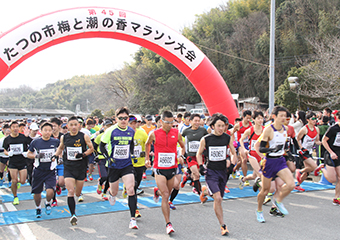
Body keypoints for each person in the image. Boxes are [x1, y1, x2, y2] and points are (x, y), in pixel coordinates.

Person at [145, 111, 185, 235]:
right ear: (161, 122)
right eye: (167, 122)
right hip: (159, 168)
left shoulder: (176, 133)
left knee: (168, 191)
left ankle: (157, 191)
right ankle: (168, 223)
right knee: (166, 195)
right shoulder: (154, 134)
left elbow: (183, 146)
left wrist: (181, 155)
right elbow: (147, 144)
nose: (169, 125)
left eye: (172, 122)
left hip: (172, 168)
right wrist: (147, 158)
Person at [196, 113, 237, 236]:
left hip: (223, 172)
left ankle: (205, 191)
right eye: (218, 126)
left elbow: (234, 153)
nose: (221, 129)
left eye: (223, 126)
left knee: (219, 197)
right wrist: (200, 166)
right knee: (218, 198)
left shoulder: (227, 138)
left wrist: (232, 165)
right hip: (211, 171)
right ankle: (223, 225)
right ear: (213, 126)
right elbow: (199, 154)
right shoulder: (206, 139)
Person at [100, 107, 138, 230]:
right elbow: (102, 146)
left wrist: (132, 154)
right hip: (113, 166)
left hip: (126, 164)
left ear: (128, 119)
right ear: (116, 119)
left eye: (125, 118)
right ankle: (111, 194)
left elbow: (131, 143)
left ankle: (133, 219)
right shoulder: (111, 131)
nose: (123, 120)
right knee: (115, 191)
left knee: (131, 189)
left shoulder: (131, 131)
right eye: (120, 118)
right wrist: (107, 157)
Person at [255, 106, 295, 223]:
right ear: (274, 117)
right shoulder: (268, 129)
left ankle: (278, 200)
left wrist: (288, 154)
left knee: (291, 184)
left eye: (285, 116)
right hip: (269, 162)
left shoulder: (286, 129)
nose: (284, 118)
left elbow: (284, 146)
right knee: (265, 190)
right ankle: (259, 210)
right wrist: (272, 149)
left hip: (280, 161)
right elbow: (261, 147)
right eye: (281, 116)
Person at [52, 116, 94, 225]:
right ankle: (73, 215)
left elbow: (91, 148)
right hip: (69, 167)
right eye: (71, 125)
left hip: (80, 168)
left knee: (77, 193)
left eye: (76, 124)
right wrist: (55, 155)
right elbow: (61, 148)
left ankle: (77, 195)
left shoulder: (84, 136)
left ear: (79, 126)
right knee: (70, 191)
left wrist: (83, 154)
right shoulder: (64, 137)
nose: (74, 127)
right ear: (68, 126)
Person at [27, 122, 60, 218]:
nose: (47, 132)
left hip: (50, 170)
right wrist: (36, 156)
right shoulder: (36, 142)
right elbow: (28, 154)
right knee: (37, 193)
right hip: (38, 170)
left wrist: (58, 157)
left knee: (50, 191)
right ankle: (38, 207)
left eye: (49, 130)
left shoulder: (55, 142)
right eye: (45, 130)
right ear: (41, 131)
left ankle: (48, 202)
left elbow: (60, 151)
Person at [3, 121, 32, 205]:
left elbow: (31, 143)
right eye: (13, 127)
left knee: (23, 181)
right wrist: (8, 153)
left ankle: (18, 183)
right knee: (14, 181)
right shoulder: (7, 139)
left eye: (17, 127)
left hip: (22, 161)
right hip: (13, 162)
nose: (15, 129)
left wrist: (28, 136)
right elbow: (5, 150)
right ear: (10, 128)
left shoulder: (23, 137)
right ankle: (15, 196)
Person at [181, 113, 208, 200]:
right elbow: (180, 141)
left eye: (198, 121)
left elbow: (208, 140)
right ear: (190, 121)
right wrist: (182, 154)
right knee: (196, 174)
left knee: (198, 173)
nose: (197, 122)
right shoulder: (186, 131)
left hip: (200, 156)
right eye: (195, 121)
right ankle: (200, 194)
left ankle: (188, 176)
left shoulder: (203, 130)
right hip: (191, 156)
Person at [127, 115, 148, 217]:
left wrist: (148, 156)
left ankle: (128, 190)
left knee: (136, 185)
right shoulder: (124, 134)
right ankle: (135, 209)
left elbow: (148, 144)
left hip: (140, 163)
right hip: (128, 164)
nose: (133, 125)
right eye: (131, 123)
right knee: (133, 186)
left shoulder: (142, 133)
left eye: (135, 123)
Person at [295, 112, 321, 190]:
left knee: (308, 172)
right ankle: (299, 172)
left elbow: (317, 141)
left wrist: (323, 143)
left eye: (315, 118)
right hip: (303, 152)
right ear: (308, 120)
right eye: (312, 119)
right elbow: (298, 139)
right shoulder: (304, 129)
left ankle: (298, 185)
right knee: (314, 167)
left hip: (309, 151)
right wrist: (302, 148)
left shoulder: (317, 129)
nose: (315, 120)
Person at [238, 110, 264, 189]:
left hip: (261, 155)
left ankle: (243, 179)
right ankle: (265, 193)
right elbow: (241, 140)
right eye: (258, 118)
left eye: (261, 118)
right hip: (252, 154)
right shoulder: (250, 130)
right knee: (260, 174)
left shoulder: (265, 130)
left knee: (254, 175)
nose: (260, 120)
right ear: (253, 119)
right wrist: (244, 149)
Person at [319, 111, 340, 205]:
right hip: (330, 154)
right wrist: (331, 152)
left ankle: (336, 197)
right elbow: (323, 140)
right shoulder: (333, 129)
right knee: (332, 179)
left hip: (339, 154)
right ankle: (322, 168)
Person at [231, 110, 252, 183]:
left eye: (250, 118)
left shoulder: (251, 125)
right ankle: (245, 178)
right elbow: (231, 133)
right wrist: (233, 142)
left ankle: (235, 169)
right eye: (247, 118)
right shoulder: (238, 125)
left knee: (242, 161)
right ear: (243, 117)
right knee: (244, 159)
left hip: (248, 144)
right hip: (240, 144)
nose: (248, 120)